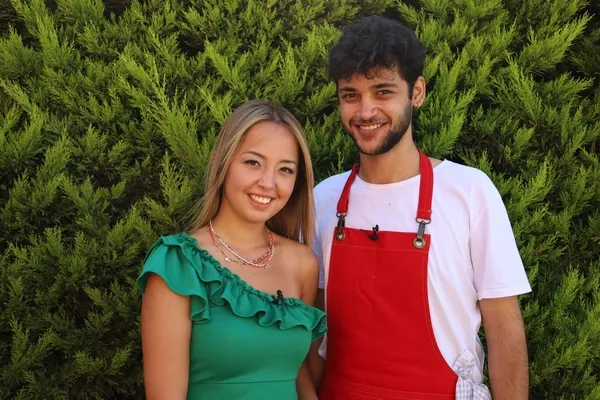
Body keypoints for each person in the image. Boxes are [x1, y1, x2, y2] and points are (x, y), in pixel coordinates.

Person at [311, 16, 531, 400]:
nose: (365, 111)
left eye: (383, 92)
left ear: (416, 92)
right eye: (351, 95)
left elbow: (504, 330)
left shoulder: (469, 192)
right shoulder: (324, 199)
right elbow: (312, 331)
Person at [137, 99, 326, 399]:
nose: (268, 183)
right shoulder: (179, 263)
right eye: (253, 162)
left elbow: (298, 373)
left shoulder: (302, 263)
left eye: (285, 169)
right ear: (221, 162)